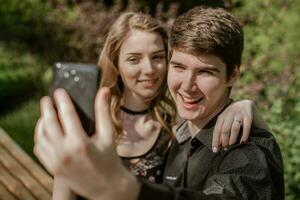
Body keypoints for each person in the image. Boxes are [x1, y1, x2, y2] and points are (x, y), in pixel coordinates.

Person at [34, 8, 278, 200]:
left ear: (233, 75)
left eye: (205, 72)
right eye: (179, 67)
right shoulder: (184, 134)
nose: (187, 85)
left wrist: (124, 189)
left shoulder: (246, 152)